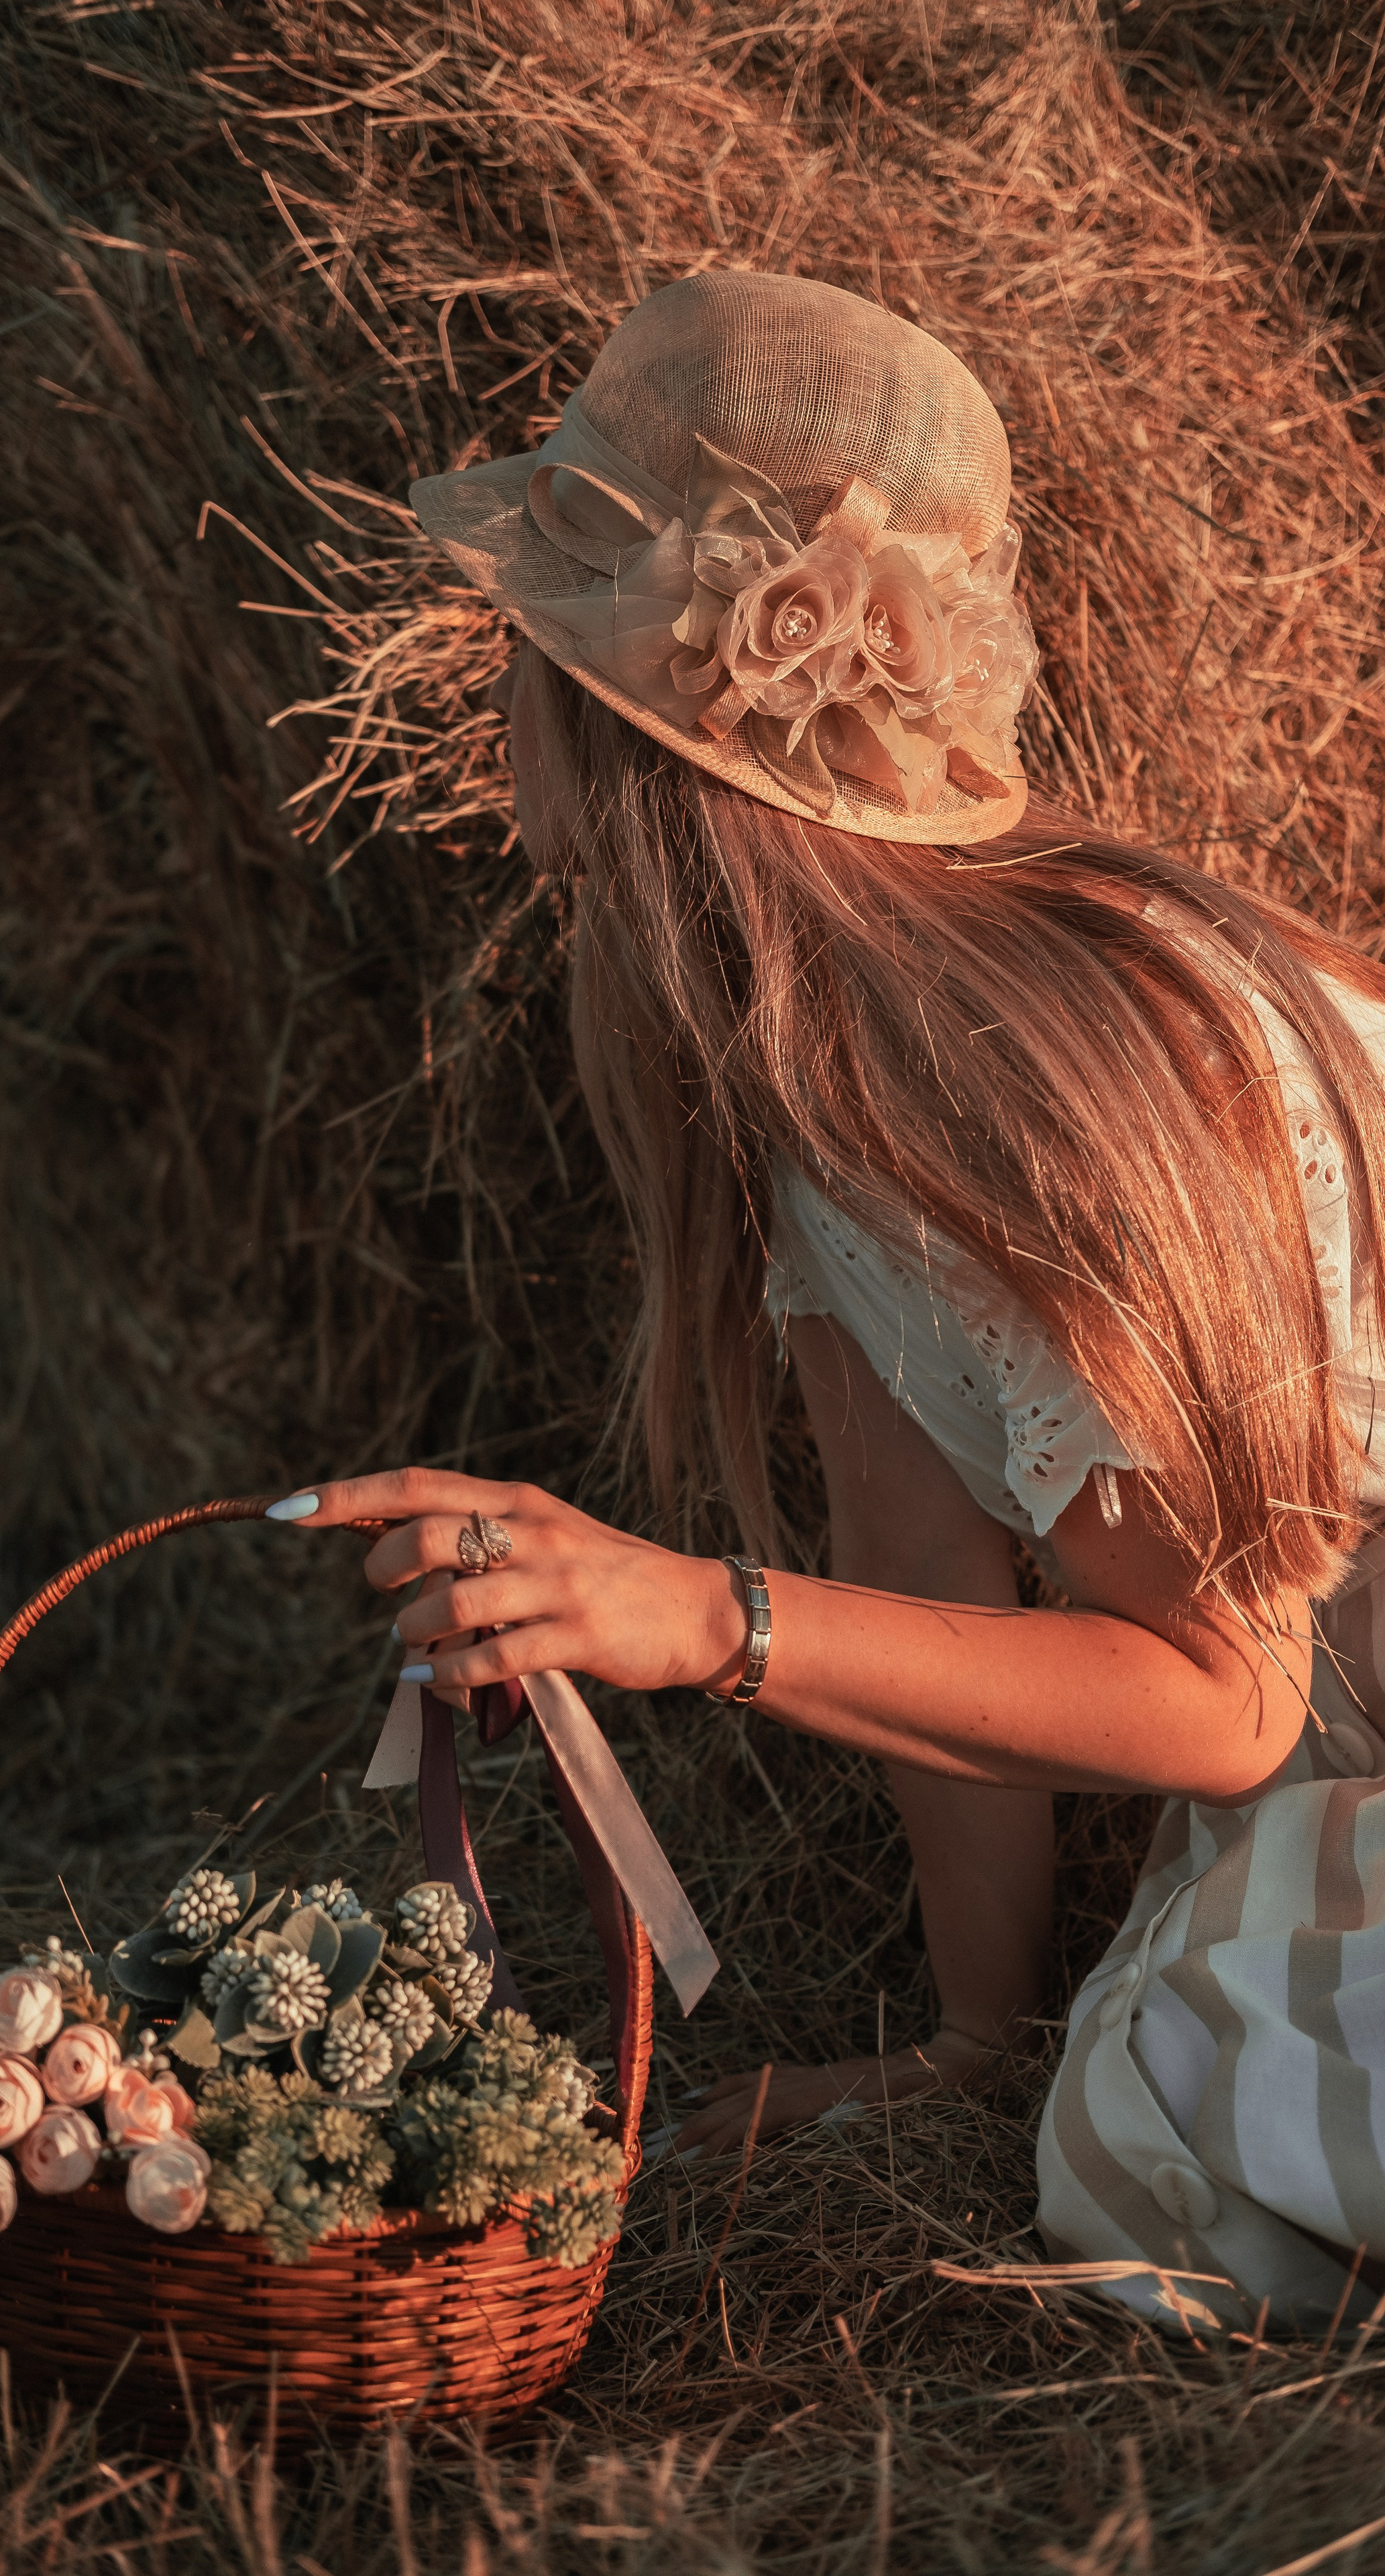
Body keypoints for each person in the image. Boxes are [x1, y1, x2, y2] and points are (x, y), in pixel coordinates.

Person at [266, 272, 1385, 2335]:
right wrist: (971, 2037)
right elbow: (916, 1549)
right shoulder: (816, 1090)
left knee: (1187, 2115)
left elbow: (1227, 1696)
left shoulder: (1032, 1079)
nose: (501, 694)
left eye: (532, 647)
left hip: (1325, 1691)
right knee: (1125, 2083)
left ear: (634, 727)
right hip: (1336, 1705)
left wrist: (703, 1619)